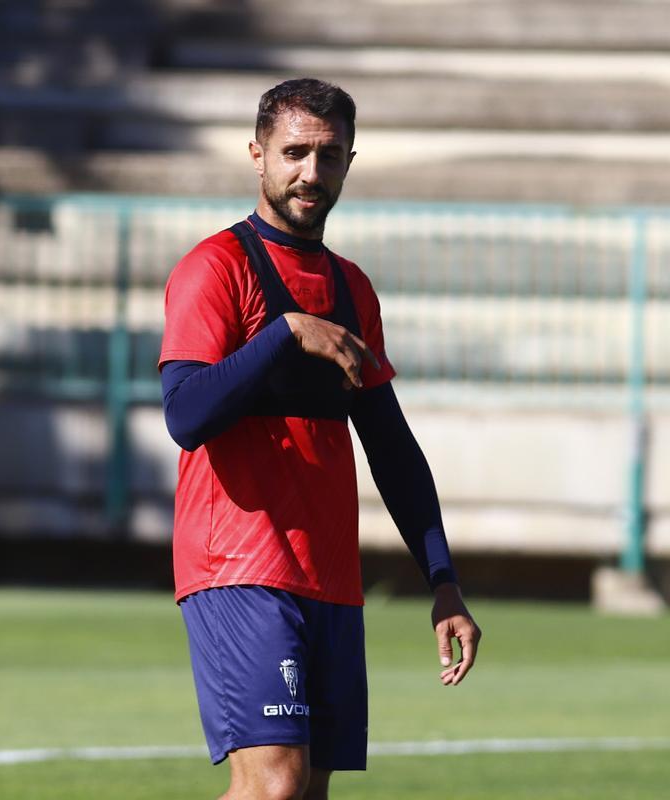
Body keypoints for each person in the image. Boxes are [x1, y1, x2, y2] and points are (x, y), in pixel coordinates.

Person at [159, 78, 482, 800]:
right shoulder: (216, 268)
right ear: (257, 155)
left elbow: (390, 445)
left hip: (328, 576)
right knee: (274, 784)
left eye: (328, 155)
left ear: (349, 162)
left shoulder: (351, 288)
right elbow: (185, 414)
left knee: (307, 793)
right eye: (294, 152)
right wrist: (284, 334)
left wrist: (443, 582)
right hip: (237, 565)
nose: (311, 171)